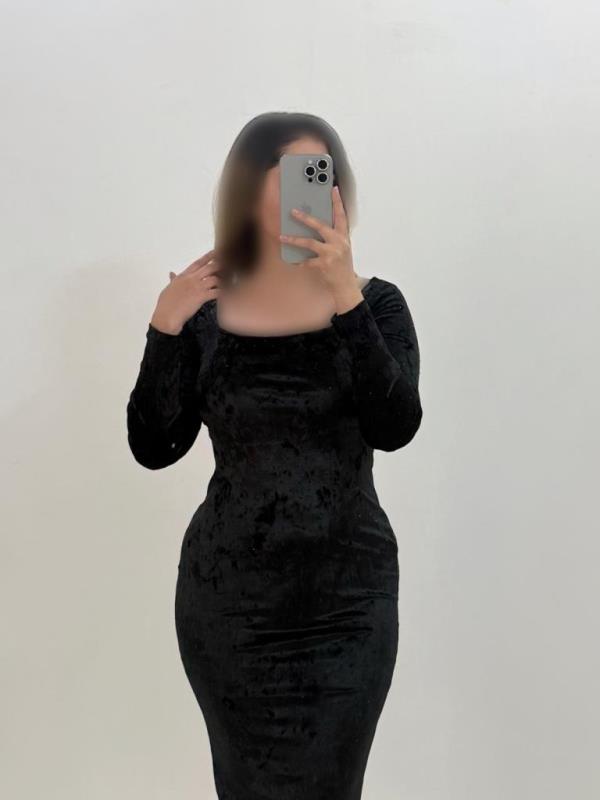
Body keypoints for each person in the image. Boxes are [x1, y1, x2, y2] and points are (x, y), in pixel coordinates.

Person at [127, 111, 422, 800]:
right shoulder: (203, 313)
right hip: (230, 604)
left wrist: (344, 296)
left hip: (348, 601)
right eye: (289, 173)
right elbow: (154, 447)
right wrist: (165, 325)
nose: (306, 190)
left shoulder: (377, 304)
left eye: (319, 175)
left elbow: (396, 425)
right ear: (246, 186)